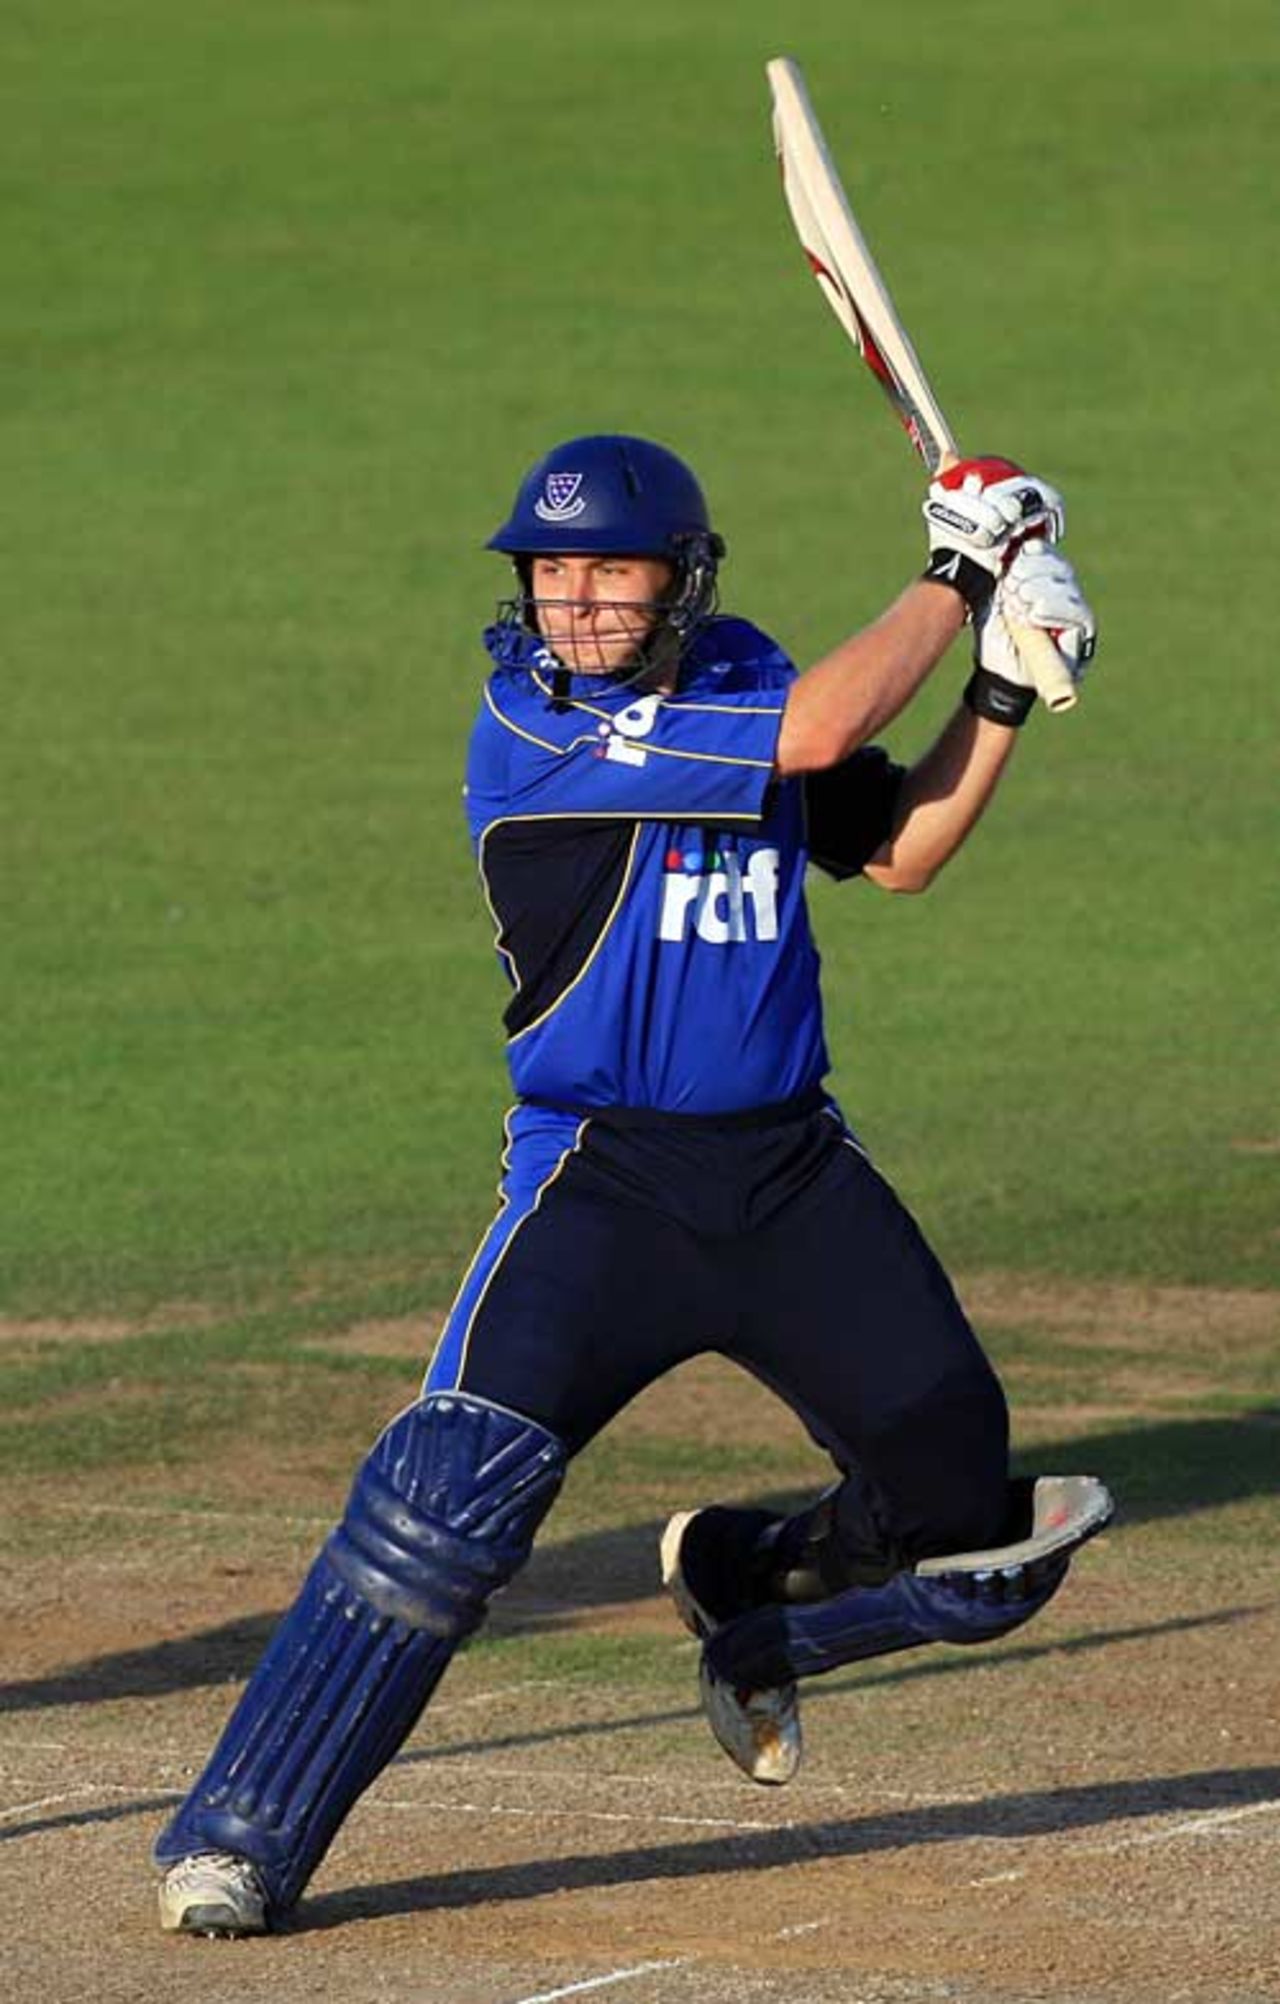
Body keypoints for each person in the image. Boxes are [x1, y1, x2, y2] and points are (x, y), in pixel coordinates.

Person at [154, 434, 1112, 1937]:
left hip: (790, 1172)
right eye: (551, 572)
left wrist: (1001, 684)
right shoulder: (531, 724)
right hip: (603, 1185)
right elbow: (813, 737)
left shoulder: (739, 680)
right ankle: (237, 1841)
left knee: (966, 1516)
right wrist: (956, 571)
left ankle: (750, 1589)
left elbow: (900, 848)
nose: (578, 602)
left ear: (680, 577)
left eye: (611, 569)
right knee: (443, 1501)